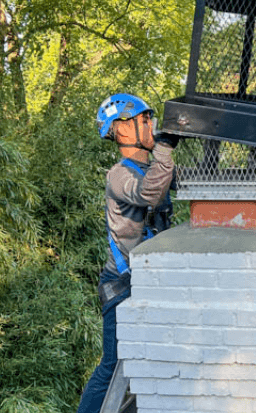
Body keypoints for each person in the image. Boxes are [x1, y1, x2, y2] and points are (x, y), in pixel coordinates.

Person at [77, 93, 179, 413]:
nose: (152, 125)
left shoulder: (150, 167)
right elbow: (149, 193)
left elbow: (182, 182)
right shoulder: (119, 174)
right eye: (145, 120)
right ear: (122, 130)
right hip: (121, 284)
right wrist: (165, 150)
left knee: (148, 359)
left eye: (151, 119)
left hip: (146, 278)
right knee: (113, 364)